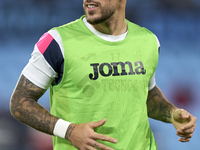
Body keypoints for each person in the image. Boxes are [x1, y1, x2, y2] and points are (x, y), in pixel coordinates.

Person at [10, 0, 197, 149]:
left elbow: (145, 93)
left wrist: (172, 113)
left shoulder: (148, 41)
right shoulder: (57, 42)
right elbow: (20, 102)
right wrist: (69, 131)